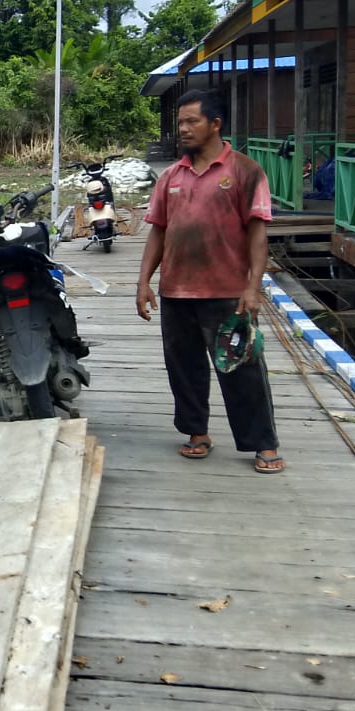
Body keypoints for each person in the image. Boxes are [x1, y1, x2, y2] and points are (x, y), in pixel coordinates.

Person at [135, 90, 284, 474]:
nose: (183, 129)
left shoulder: (245, 171)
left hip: (227, 292)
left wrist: (253, 287)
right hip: (176, 290)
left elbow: (258, 234)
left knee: (242, 369)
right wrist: (144, 282)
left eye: (191, 121)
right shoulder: (170, 176)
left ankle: (263, 443)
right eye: (180, 122)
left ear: (215, 124)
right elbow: (158, 231)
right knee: (184, 368)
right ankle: (197, 432)